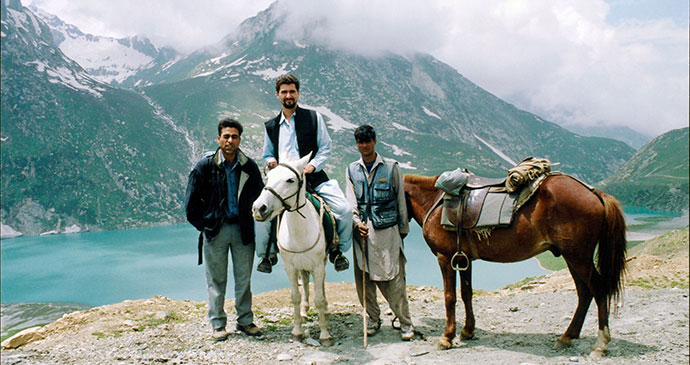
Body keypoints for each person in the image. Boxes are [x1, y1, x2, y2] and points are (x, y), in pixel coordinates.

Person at [258, 73, 353, 272]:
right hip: (284, 182)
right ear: (277, 95)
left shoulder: (313, 117)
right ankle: (267, 255)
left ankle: (337, 251)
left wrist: (312, 166)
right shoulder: (270, 126)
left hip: (313, 177)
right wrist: (271, 162)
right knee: (260, 214)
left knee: (344, 211)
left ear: (298, 93)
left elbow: (325, 148)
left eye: (292, 91)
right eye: (284, 92)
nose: (288, 95)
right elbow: (266, 154)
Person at [184, 118, 267, 341]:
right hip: (216, 231)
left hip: (243, 231)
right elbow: (190, 204)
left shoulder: (248, 166)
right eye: (226, 136)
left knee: (243, 278)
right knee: (216, 280)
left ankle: (245, 321)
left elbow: (260, 197)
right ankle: (218, 324)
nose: (230, 140)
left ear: (240, 139)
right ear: (218, 138)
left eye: (234, 136)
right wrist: (206, 226)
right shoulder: (205, 166)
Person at [344, 124, 414, 341]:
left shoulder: (392, 167)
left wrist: (402, 230)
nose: (364, 145)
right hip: (362, 234)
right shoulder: (351, 170)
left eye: (367, 140)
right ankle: (373, 319)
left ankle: (405, 322)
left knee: (394, 279)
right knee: (363, 279)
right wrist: (356, 223)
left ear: (375, 141)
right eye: (360, 141)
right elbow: (350, 201)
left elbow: (400, 201)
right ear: (357, 144)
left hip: (387, 232)